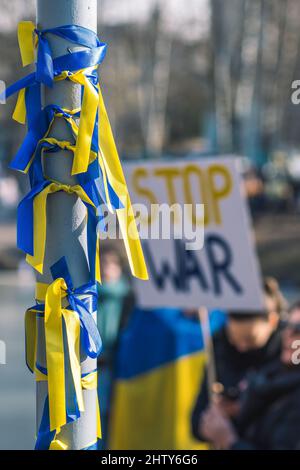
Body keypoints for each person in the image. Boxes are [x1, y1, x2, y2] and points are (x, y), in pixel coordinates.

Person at [191, 278, 287, 442]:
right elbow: (196, 424)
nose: (241, 347)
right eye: (234, 339)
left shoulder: (289, 352)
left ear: (272, 321)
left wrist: (242, 409)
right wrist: (214, 417)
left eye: (250, 339)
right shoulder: (220, 347)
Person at [199, 301, 300, 450]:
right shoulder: (272, 375)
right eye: (288, 326)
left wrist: (230, 441)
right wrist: (234, 411)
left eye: (298, 330)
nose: (288, 334)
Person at [97, 244, 135, 447]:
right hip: (92, 372)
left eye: (112, 263)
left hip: (119, 372)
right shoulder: (85, 298)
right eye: (102, 263)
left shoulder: (131, 299)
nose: (106, 268)